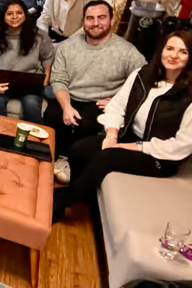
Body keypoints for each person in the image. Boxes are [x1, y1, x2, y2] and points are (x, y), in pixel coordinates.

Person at [57, 31, 192, 220]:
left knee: (107, 157)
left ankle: (63, 202)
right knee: (79, 149)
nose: (173, 56)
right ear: (161, 50)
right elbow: (117, 106)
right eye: (169, 48)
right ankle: (81, 195)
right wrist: (111, 136)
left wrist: (127, 146)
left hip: (158, 156)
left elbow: (181, 145)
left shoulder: (189, 95)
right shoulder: (143, 75)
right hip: (128, 136)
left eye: (183, 52)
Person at [45, 0, 146, 182]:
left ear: (111, 20)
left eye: (101, 18)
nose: (95, 23)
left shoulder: (127, 52)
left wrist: (118, 101)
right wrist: (66, 106)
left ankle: (70, 162)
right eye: (90, 18)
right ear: (83, 21)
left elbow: (143, 82)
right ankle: (53, 158)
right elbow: (58, 78)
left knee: (88, 122)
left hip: (101, 102)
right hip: (71, 95)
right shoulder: (68, 47)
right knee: (53, 115)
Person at [0, 0, 54, 123]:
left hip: (30, 83)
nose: (15, 17)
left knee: (31, 104)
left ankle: (31, 141)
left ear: (25, 14)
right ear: (3, 17)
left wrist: (46, 78)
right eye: (9, 14)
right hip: (3, 82)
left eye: (19, 13)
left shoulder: (39, 36)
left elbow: (48, 57)